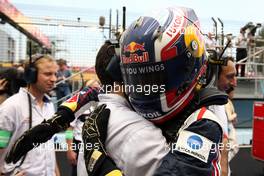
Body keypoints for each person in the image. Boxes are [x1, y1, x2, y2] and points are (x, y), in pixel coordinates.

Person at [5, 7, 228, 176]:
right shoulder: (132, 121)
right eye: (136, 77)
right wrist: (64, 115)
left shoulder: (203, 123)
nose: (143, 87)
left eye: (153, 77)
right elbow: (99, 92)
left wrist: (99, 163)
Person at [0, 55, 60, 176]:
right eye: (48, 74)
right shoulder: (12, 107)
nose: (54, 79)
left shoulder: (50, 106)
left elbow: (48, 147)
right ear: (30, 75)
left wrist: (56, 172)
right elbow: (1, 144)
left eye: (55, 74)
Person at [225, 88, 239, 176]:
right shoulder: (226, 102)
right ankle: (223, 164)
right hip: (228, 128)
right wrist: (235, 115)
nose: (233, 94)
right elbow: (230, 117)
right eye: (232, 92)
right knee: (234, 148)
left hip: (230, 127)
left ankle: (226, 168)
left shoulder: (229, 101)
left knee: (232, 148)